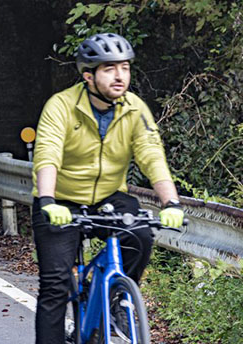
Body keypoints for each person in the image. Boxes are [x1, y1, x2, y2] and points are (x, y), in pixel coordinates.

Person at [31, 32, 185, 344]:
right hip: (60, 200)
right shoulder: (61, 106)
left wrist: (171, 203)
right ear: (88, 76)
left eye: (125, 68)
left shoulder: (135, 108)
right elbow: (47, 154)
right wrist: (48, 201)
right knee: (56, 286)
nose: (120, 76)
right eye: (109, 69)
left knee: (140, 235)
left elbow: (152, 156)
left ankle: (116, 299)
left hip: (108, 198)